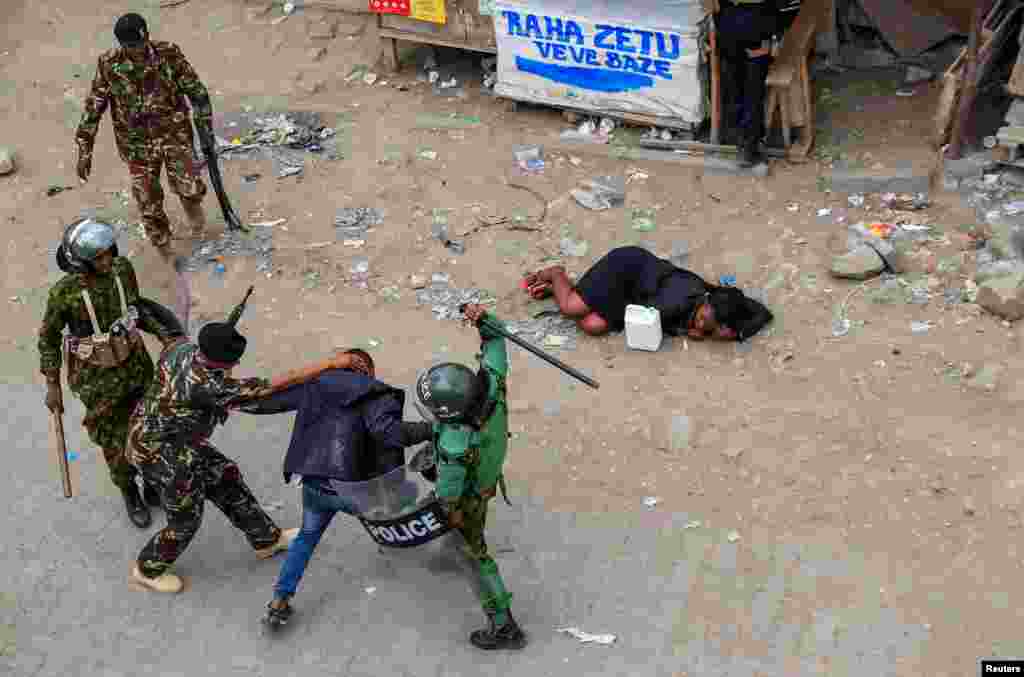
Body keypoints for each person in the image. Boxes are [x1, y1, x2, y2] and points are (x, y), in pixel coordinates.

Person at [124, 289, 358, 594]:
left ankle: (266, 539)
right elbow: (275, 386)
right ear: (224, 364)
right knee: (186, 519)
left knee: (226, 478)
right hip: (159, 452)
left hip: (178, 440)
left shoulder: (180, 351)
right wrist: (331, 365)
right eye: (232, 365)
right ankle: (148, 569)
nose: (234, 369)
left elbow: (169, 331)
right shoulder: (210, 385)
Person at [235, 349, 434, 629]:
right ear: (367, 371)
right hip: (355, 491)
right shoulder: (375, 394)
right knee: (398, 502)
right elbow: (391, 434)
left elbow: (268, 403)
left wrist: (225, 397)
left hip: (315, 486)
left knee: (306, 538)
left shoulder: (317, 383)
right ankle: (395, 541)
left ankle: (280, 600)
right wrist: (432, 429)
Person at [39, 217, 186, 528]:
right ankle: (129, 491)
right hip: (97, 380)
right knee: (115, 442)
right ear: (81, 263)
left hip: (135, 365)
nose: (107, 261)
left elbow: (136, 309)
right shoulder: (64, 294)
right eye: (98, 258)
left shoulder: (122, 271)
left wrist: (166, 335)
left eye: (108, 253)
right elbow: (48, 338)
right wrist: (52, 385)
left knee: (151, 427)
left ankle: (151, 484)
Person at [413, 303, 526, 651]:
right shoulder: (492, 384)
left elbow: (448, 492)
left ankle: (503, 623)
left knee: (476, 553)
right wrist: (485, 320)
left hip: (470, 494)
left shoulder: (454, 442)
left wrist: (449, 512)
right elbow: (496, 339)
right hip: (488, 476)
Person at [75, 13, 214, 261]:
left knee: (190, 188)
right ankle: (166, 252)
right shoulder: (109, 64)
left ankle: (198, 225)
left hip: (174, 134)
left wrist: (205, 131)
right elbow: (94, 106)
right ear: (122, 45)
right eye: (130, 47)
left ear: (147, 36)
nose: (137, 51)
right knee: (148, 201)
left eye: (139, 44)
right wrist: (85, 149)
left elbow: (196, 91)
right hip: (136, 144)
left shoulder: (168, 53)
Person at [523, 246, 772, 342]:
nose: (702, 324)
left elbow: (763, 313)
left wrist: (738, 333)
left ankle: (568, 290)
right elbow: (641, 320)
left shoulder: (715, 297)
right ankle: (556, 275)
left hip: (635, 292)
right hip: (625, 269)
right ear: (707, 302)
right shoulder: (675, 304)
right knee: (570, 309)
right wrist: (688, 331)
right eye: (704, 319)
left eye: (709, 325)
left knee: (592, 325)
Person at [715, 0, 784, 167]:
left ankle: (745, 142)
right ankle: (746, 142)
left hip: (743, 27)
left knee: (744, 87)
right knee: (745, 88)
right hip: (743, 28)